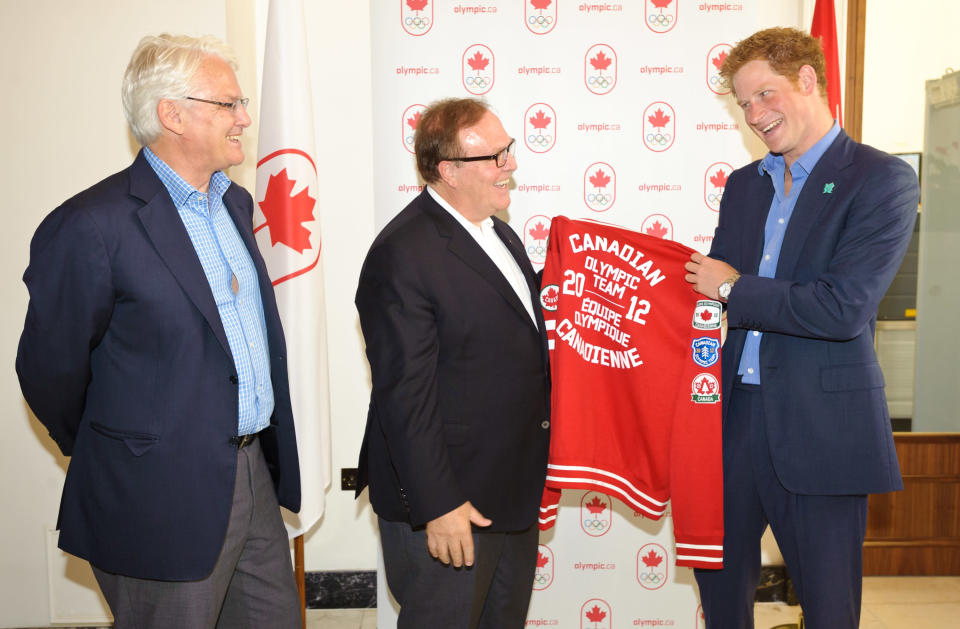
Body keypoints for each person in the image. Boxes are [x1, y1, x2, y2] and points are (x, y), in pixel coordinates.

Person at [15, 34, 301, 629]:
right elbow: (50, 372)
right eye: (229, 104)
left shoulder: (235, 204)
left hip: (253, 477)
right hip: (156, 495)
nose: (245, 118)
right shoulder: (91, 226)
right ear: (172, 114)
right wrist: (124, 448)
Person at [684, 27, 918, 628]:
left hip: (824, 431)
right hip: (731, 423)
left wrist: (733, 287)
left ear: (809, 80)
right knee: (720, 604)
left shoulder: (882, 180)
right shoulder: (742, 187)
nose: (755, 115)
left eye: (765, 95)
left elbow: (841, 308)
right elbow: (709, 300)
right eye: (744, 105)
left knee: (830, 611)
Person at [355, 97, 551, 629]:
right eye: (495, 156)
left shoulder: (499, 233)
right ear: (448, 171)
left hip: (508, 496)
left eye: (508, 149)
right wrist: (439, 505)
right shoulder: (403, 253)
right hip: (448, 509)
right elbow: (404, 397)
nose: (510, 164)